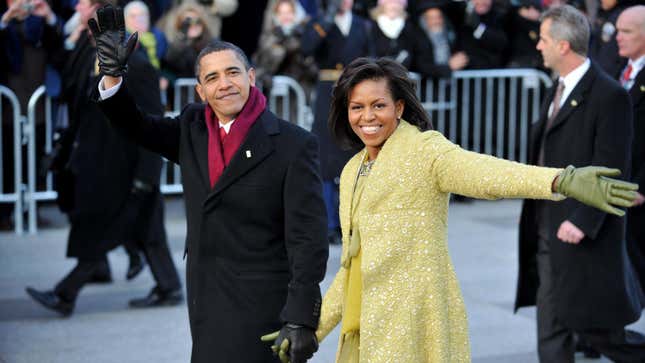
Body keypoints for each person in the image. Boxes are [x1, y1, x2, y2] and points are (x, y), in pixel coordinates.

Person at [262, 55, 636, 363]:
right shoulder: (352, 169)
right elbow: (350, 268)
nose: (368, 116)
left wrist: (559, 180)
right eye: (357, 107)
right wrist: (310, 326)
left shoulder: (425, 150)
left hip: (418, 325)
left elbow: (484, 172)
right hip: (365, 332)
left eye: (379, 105)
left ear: (400, 107)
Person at [89, 5, 328, 362]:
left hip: (263, 304)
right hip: (206, 296)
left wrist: (301, 318)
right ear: (200, 91)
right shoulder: (192, 128)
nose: (224, 84)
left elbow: (308, 239)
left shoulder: (293, 144)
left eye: (232, 72)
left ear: (251, 76)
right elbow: (136, 127)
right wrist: (111, 78)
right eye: (212, 78)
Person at [515, 5, 645, 363]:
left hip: (581, 233)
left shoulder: (609, 96)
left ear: (562, 45)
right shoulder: (557, 88)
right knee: (552, 327)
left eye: (543, 39)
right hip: (548, 225)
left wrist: (582, 222)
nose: (538, 46)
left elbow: (612, 168)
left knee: (600, 334)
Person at [23, 0, 150, 316]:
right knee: (103, 218)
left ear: (99, 12)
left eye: (84, 3)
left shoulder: (130, 52)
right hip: (86, 148)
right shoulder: (83, 43)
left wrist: (147, 173)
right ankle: (132, 266)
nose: (77, 6)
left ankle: (66, 294)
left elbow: (146, 113)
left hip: (113, 154)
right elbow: (65, 71)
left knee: (104, 224)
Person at [301, 0, 375, 245]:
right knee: (325, 160)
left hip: (356, 91)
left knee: (355, 155)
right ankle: (329, 223)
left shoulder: (363, 25)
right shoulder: (320, 23)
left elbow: (373, 59)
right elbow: (307, 48)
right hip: (327, 94)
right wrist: (325, 21)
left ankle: (351, 222)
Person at [616, 4, 645, 300]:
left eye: (627, 31)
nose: (618, 37)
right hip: (621, 183)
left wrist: (642, 187)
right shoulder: (619, 68)